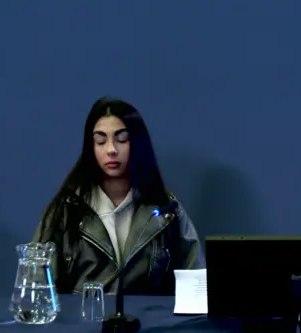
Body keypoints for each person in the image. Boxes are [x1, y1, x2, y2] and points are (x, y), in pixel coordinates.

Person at [32, 97, 205, 295]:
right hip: (82, 322)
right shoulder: (67, 208)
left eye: (122, 139)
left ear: (138, 144)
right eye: (100, 141)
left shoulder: (166, 211)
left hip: (149, 323)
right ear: (91, 147)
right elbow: (37, 283)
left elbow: (195, 284)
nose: (111, 150)